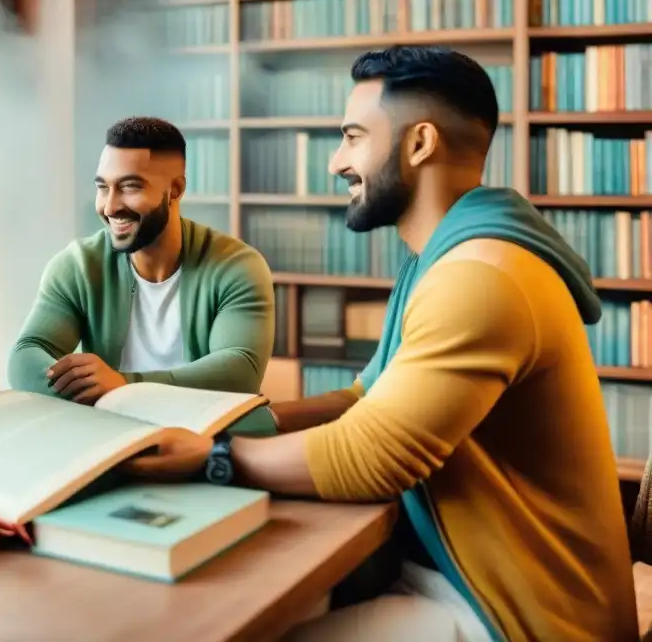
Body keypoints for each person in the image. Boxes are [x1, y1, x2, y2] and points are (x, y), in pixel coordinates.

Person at [121, 47, 638, 642]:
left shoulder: (482, 276)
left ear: (419, 144)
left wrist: (214, 457)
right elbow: (368, 396)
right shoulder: (444, 257)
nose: (337, 162)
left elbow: (374, 454)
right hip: (461, 574)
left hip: (521, 613)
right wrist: (231, 424)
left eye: (353, 137)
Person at [8, 116, 274, 404]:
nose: (110, 206)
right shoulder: (77, 267)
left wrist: (123, 385)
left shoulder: (237, 266)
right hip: (112, 432)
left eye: (130, 186)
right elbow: (26, 354)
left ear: (175, 189)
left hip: (201, 437)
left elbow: (240, 370)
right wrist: (85, 388)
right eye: (103, 187)